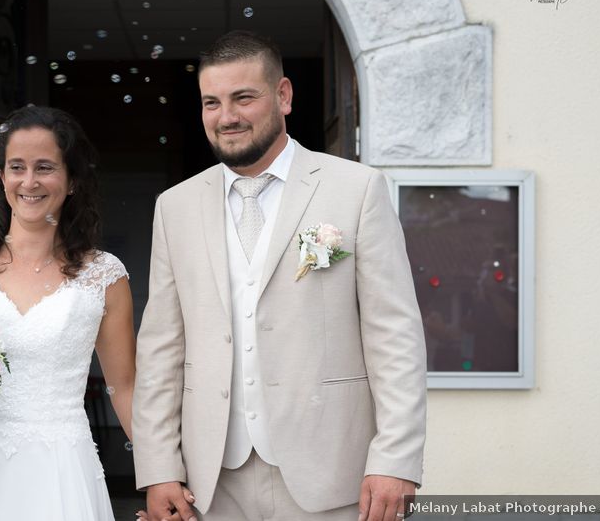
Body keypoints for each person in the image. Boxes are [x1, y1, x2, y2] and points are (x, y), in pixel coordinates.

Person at [133, 30, 427, 521]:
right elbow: (162, 345)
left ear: (283, 95)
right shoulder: (175, 207)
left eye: (243, 97)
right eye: (212, 102)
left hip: (331, 474)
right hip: (210, 481)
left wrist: (396, 458)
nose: (227, 117)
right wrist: (159, 466)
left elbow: (394, 336)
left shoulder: (357, 190)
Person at [0, 105, 135, 520]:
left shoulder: (105, 275)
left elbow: (123, 388)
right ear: (1, 178)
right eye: (17, 167)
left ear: (71, 180)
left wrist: (160, 474)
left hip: (60, 468)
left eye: (45, 167)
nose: (29, 181)